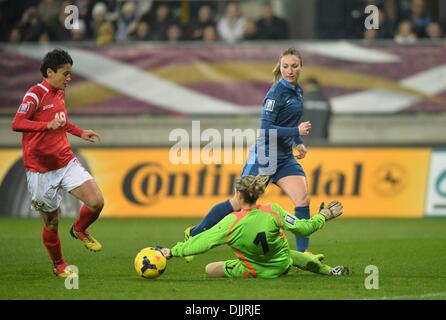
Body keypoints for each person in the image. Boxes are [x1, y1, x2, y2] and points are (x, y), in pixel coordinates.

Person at [185, 48, 313, 255]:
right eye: (285, 66)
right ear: (280, 67)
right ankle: (194, 234)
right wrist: (296, 131)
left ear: (301, 67)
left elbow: (290, 120)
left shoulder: (297, 90)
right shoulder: (275, 94)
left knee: (303, 200)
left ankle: (303, 252)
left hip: (284, 158)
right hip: (265, 156)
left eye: (294, 66)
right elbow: (266, 129)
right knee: (238, 203)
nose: (289, 70)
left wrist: (298, 141)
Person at [11, 49, 104, 278]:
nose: (69, 78)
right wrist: (45, 126)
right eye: (66, 73)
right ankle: (59, 265)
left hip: (65, 162)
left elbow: (61, 120)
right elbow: (17, 123)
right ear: (50, 72)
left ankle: (79, 229)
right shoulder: (35, 95)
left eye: (70, 73)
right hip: (40, 171)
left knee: (96, 202)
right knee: (52, 223)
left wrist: (79, 132)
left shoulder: (59, 92)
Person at [159, 175, 348, 279]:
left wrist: (172, 252)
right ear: (257, 194)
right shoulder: (274, 211)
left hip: (254, 269)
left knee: (209, 269)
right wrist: (323, 216)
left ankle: (312, 263)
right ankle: (328, 270)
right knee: (289, 254)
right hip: (281, 263)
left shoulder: (231, 222)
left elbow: (203, 242)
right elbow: (304, 228)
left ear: (238, 194)